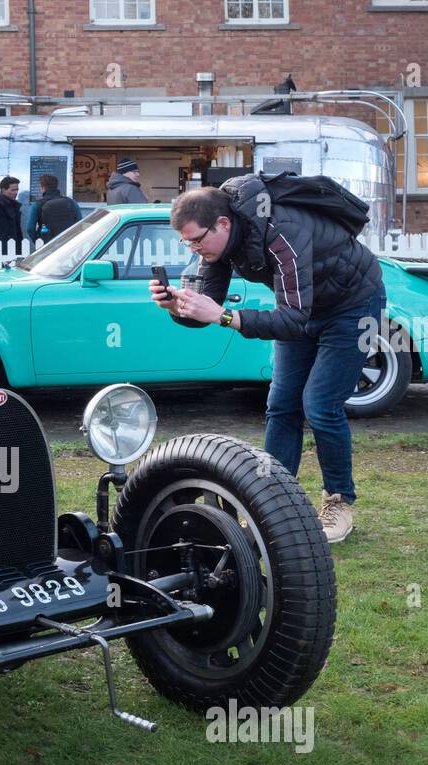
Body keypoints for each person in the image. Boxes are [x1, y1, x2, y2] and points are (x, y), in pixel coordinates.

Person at [151, 179, 386, 543]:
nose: (194, 249)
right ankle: (273, 501)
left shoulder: (282, 233)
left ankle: (339, 501)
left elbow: (288, 320)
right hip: (302, 307)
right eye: (187, 243)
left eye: (197, 240)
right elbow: (206, 309)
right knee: (281, 405)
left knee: (321, 406)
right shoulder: (218, 246)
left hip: (353, 306)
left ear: (223, 224)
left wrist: (225, 316)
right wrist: (175, 306)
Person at [24, 174, 82, 243]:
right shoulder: (71, 202)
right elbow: (79, 222)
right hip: (68, 243)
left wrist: (38, 241)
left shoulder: (37, 205)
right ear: (56, 186)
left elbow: (30, 228)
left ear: (42, 188)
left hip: (48, 244)